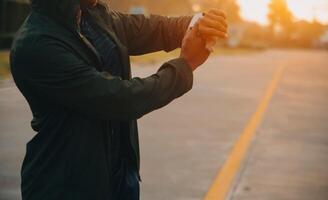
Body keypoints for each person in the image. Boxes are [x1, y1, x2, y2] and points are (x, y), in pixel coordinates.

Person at [10, 0, 228, 199]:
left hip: (120, 175)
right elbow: (119, 99)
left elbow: (151, 29)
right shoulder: (36, 45)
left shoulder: (92, 17)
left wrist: (198, 23)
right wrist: (184, 66)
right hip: (67, 185)